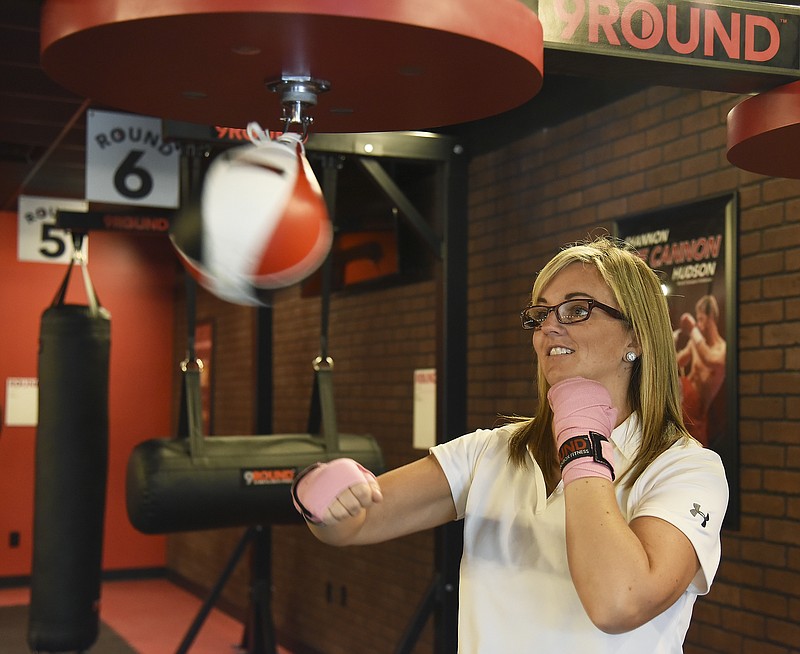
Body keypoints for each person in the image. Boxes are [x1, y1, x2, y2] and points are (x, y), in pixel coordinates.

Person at [291, 236, 729, 653]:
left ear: (634, 336)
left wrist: (582, 441)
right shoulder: (492, 452)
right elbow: (357, 522)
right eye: (541, 315)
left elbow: (619, 602)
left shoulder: (687, 469)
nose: (549, 328)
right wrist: (318, 495)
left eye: (577, 310)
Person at [675, 295, 727, 446]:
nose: (698, 323)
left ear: (711, 317)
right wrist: (671, 339)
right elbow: (677, 361)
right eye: (697, 319)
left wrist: (693, 331)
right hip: (682, 401)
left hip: (698, 414)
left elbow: (709, 359)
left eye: (701, 319)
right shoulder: (696, 341)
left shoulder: (722, 350)